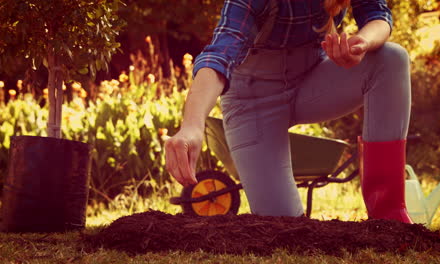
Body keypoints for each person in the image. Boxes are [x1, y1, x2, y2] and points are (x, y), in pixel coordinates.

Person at [164, 0, 413, 223]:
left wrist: (363, 43)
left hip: (312, 82)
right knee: (286, 230)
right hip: (254, 101)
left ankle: (389, 219)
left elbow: (377, 14)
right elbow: (220, 53)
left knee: (391, 59)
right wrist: (192, 125)